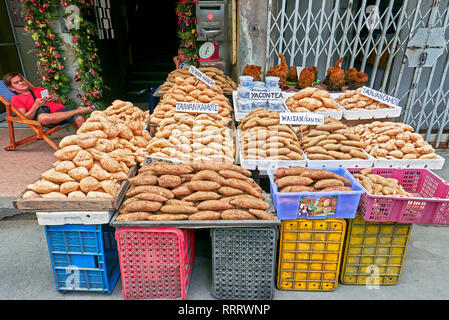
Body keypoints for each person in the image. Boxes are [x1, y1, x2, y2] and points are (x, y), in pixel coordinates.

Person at [3, 72, 95, 129]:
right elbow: (25, 118)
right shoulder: (16, 99)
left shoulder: (38, 89)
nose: (21, 83)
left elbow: (61, 103)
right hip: (49, 119)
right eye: (16, 83)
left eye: (21, 80)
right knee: (42, 118)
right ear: (12, 88)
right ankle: (79, 110)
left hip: (63, 111)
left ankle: (89, 145)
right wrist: (36, 106)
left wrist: (55, 98)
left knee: (80, 119)